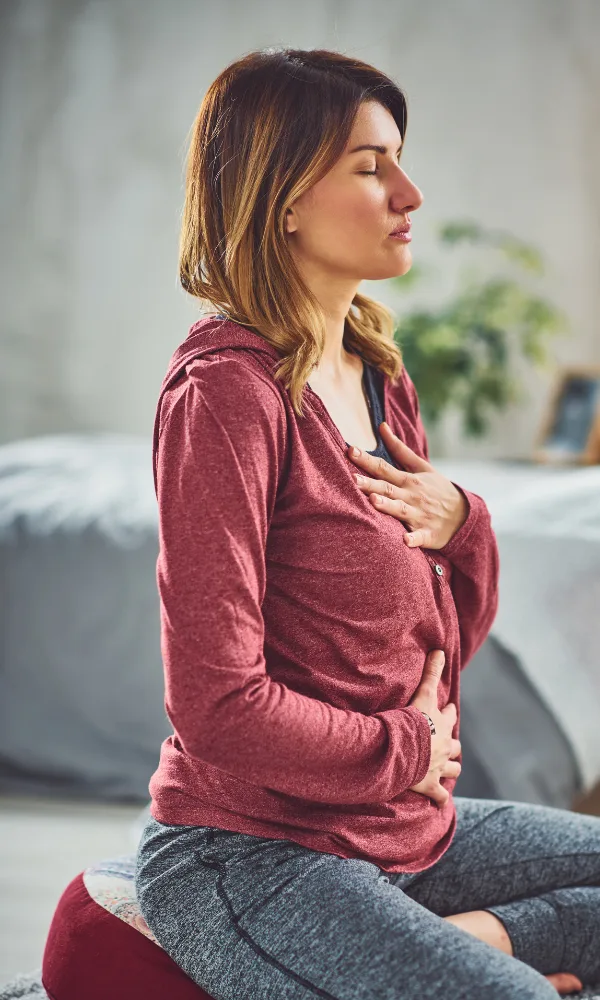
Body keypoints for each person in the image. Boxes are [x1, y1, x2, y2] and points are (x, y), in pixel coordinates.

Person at [135, 47, 600, 999]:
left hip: (409, 834)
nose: (410, 193)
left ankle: (461, 941)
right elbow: (216, 708)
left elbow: (435, 647)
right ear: (283, 197)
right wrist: (407, 750)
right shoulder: (226, 396)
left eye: (400, 159)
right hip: (253, 855)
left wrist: (465, 521)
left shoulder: (378, 375)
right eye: (369, 165)